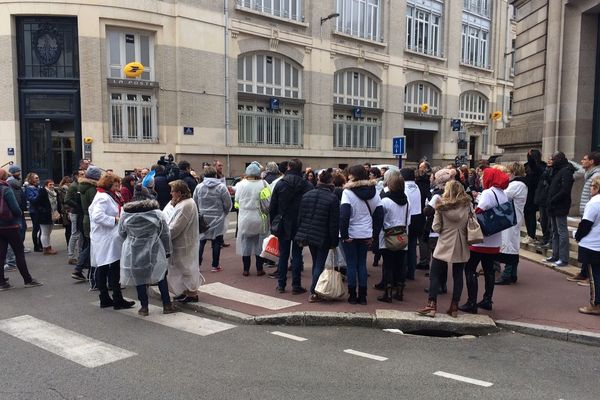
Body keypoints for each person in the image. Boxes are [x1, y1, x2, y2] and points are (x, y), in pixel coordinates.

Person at [119, 184, 177, 316]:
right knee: (161, 275)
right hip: (154, 247)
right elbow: (165, 233)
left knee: (139, 277)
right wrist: (167, 250)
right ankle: (167, 304)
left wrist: (132, 239)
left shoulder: (126, 213)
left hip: (133, 249)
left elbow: (121, 232)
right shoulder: (156, 213)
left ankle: (144, 307)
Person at [417, 180, 471, 317]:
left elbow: (436, 227)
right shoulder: (467, 205)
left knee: (435, 273)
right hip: (461, 241)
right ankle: (454, 306)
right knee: (458, 275)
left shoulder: (441, 206)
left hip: (445, 240)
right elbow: (471, 222)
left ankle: (431, 304)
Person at [460, 167, 509, 313]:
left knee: (469, 268)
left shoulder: (488, 193)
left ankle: (471, 302)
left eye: (483, 176)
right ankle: (487, 299)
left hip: (482, 239)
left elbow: (479, 211)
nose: (481, 179)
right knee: (489, 270)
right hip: (495, 239)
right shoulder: (503, 194)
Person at [89, 174, 135, 310]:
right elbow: (97, 216)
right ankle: (117, 298)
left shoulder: (106, 195)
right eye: (115, 185)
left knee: (103, 266)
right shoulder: (103, 197)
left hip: (105, 237)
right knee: (113, 267)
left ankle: (105, 298)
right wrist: (114, 220)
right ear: (109, 185)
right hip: (106, 237)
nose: (118, 188)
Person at [340, 165, 383, 305]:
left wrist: (345, 234)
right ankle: (363, 296)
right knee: (362, 264)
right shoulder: (374, 192)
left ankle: (352, 295)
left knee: (351, 264)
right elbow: (379, 215)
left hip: (351, 233)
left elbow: (344, 215)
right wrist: (374, 235)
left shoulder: (347, 192)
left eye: (350, 175)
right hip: (366, 233)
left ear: (354, 176)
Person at [294, 168, 340, 302]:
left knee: (316, 262)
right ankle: (314, 291)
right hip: (323, 236)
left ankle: (315, 289)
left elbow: (300, 216)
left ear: (319, 180)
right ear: (330, 182)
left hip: (309, 234)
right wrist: (334, 241)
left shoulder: (308, 194)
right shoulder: (333, 198)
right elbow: (333, 222)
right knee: (319, 263)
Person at [270, 159, 313, 293]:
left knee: (283, 255)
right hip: (300, 223)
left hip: (283, 223)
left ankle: (281, 284)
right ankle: (296, 285)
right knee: (297, 254)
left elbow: (273, 207)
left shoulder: (280, 184)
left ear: (289, 167)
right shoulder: (307, 185)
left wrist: (273, 222)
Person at [0, 169, 43, 290]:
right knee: (19, 252)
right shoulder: (6, 189)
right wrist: (18, 216)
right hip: (10, 225)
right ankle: (28, 280)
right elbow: (15, 208)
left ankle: (2, 282)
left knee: (1, 254)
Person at [163, 180, 201, 303]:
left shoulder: (186, 204)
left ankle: (192, 293)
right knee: (180, 268)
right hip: (181, 241)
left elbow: (177, 226)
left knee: (186, 268)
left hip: (184, 242)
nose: (170, 193)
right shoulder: (182, 203)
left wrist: (165, 235)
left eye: (172, 191)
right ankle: (185, 291)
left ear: (179, 193)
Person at [376, 170, 410, 303]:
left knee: (388, 265)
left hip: (387, 237)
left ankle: (388, 293)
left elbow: (379, 219)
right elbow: (408, 219)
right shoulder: (406, 201)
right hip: (402, 236)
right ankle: (400, 291)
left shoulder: (385, 200)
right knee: (400, 265)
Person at [569, 152, 600, 284]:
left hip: (591, 212)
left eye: (585, 159)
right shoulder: (589, 173)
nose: (582, 161)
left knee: (588, 245)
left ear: (592, 161)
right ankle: (584, 272)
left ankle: (588, 275)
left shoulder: (596, 175)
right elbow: (579, 170)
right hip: (586, 211)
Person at [193, 166, 231, 272]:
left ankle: (197, 264)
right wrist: (225, 212)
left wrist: (199, 211)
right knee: (217, 241)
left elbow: (194, 200)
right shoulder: (221, 187)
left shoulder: (199, 187)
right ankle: (215, 265)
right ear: (215, 175)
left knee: (201, 240)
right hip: (218, 216)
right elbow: (227, 203)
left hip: (203, 216)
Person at [496, 163, 528, 285]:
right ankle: (512, 273)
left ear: (514, 173)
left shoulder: (517, 184)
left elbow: (503, 196)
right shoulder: (519, 184)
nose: (506, 175)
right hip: (513, 217)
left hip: (512, 218)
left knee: (509, 245)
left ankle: (507, 274)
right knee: (511, 244)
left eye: (508, 172)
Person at [235, 162, 269, 276]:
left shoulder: (240, 184)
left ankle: (246, 269)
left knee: (245, 245)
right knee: (259, 245)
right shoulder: (263, 183)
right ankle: (259, 269)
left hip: (244, 218)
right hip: (259, 217)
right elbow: (269, 199)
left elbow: (237, 200)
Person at [574, 176, 600, 315]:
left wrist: (578, 236)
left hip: (593, 244)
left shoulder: (594, 202)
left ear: (596, 188)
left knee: (595, 276)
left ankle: (596, 304)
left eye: (591, 186)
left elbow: (586, 224)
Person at [545, 151, 576, 267]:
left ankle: (563, 258)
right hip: (553, 205)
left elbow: (565, 189)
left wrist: (553, 199)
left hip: (560, 205)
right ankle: (555, 255)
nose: (552, 161)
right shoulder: (556, 170)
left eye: (554, 159)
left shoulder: (566, 171)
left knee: (562, 232)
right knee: (554, 231)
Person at [71, 166, 101, 281]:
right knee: (91, 245)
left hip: (86, 217)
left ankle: (81, 268)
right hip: (90, 219)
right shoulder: (92, 189)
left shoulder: (84, 187)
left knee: (89, 244)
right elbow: (95, 205)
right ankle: (79, 269)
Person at [401, 168, 423, 281]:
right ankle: (411, 272)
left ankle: (404, 271)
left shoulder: (404, 187)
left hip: (408, 218)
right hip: (417, 217)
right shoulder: (416, 186)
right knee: (413, 246)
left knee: (404, 246)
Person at [4, 165, 27, 272]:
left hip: (11, 214)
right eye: (17, 171)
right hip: (14, 215)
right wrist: (18, 212)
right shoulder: (10, 185)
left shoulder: (11, 184)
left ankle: (10, 261)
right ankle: (12, 262)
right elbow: (13, 203)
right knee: (15, 239)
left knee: (12, 240)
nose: (19, 173)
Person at [523, 149, 545, 244]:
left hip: (534, 193)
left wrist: (529, 156)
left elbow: (533, 165)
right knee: (527, 215)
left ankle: (531, 235)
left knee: (531, 215)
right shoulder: (529, 167)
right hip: (528, 193)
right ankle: (529, 234)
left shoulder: (539, 167)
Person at [36, 179, 61, 255]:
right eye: (50, 184)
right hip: (44, 215)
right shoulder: (43, 192)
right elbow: (37, 202)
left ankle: (48, 246)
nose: (52, 186)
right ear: (46, 185)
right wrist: (43, 210)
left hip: (52, 213)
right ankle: (45, 248)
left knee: (49, 232)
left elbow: (57, 202)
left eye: (53, 184)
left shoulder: (55, 192)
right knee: (44, 232)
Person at [64, 172, 84, 266]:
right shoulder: (73, 186)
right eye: (81, 174)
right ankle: (71, 256)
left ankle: (80, 255)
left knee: (80, 235)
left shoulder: (80, 185)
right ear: (76, 176)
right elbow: (67, 199)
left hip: (79, 212)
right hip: (75, 212)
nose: (84, 175)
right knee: (75, 234)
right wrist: (77, 205)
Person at [534, 157, 553, 248]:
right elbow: (535, 166)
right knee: (543, 222)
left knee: (549, 222)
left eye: (552, 159)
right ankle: (545, 239)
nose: (549, 161)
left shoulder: (556, 171)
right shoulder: (544, 170)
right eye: (548, 159)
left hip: (550, 200)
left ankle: (550, 240)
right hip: (542, 199)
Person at [24, 172, 42, 252]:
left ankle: (41, 244)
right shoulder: (29, 188)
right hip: (34, 211)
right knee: (36, 228)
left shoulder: (39, 187)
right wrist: (41, 195)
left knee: (41, 228)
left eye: (38, 177)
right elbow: (32, 199)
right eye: (36, 178)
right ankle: (36, 246)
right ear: (31, 179)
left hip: (40, 210)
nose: (38, 179)